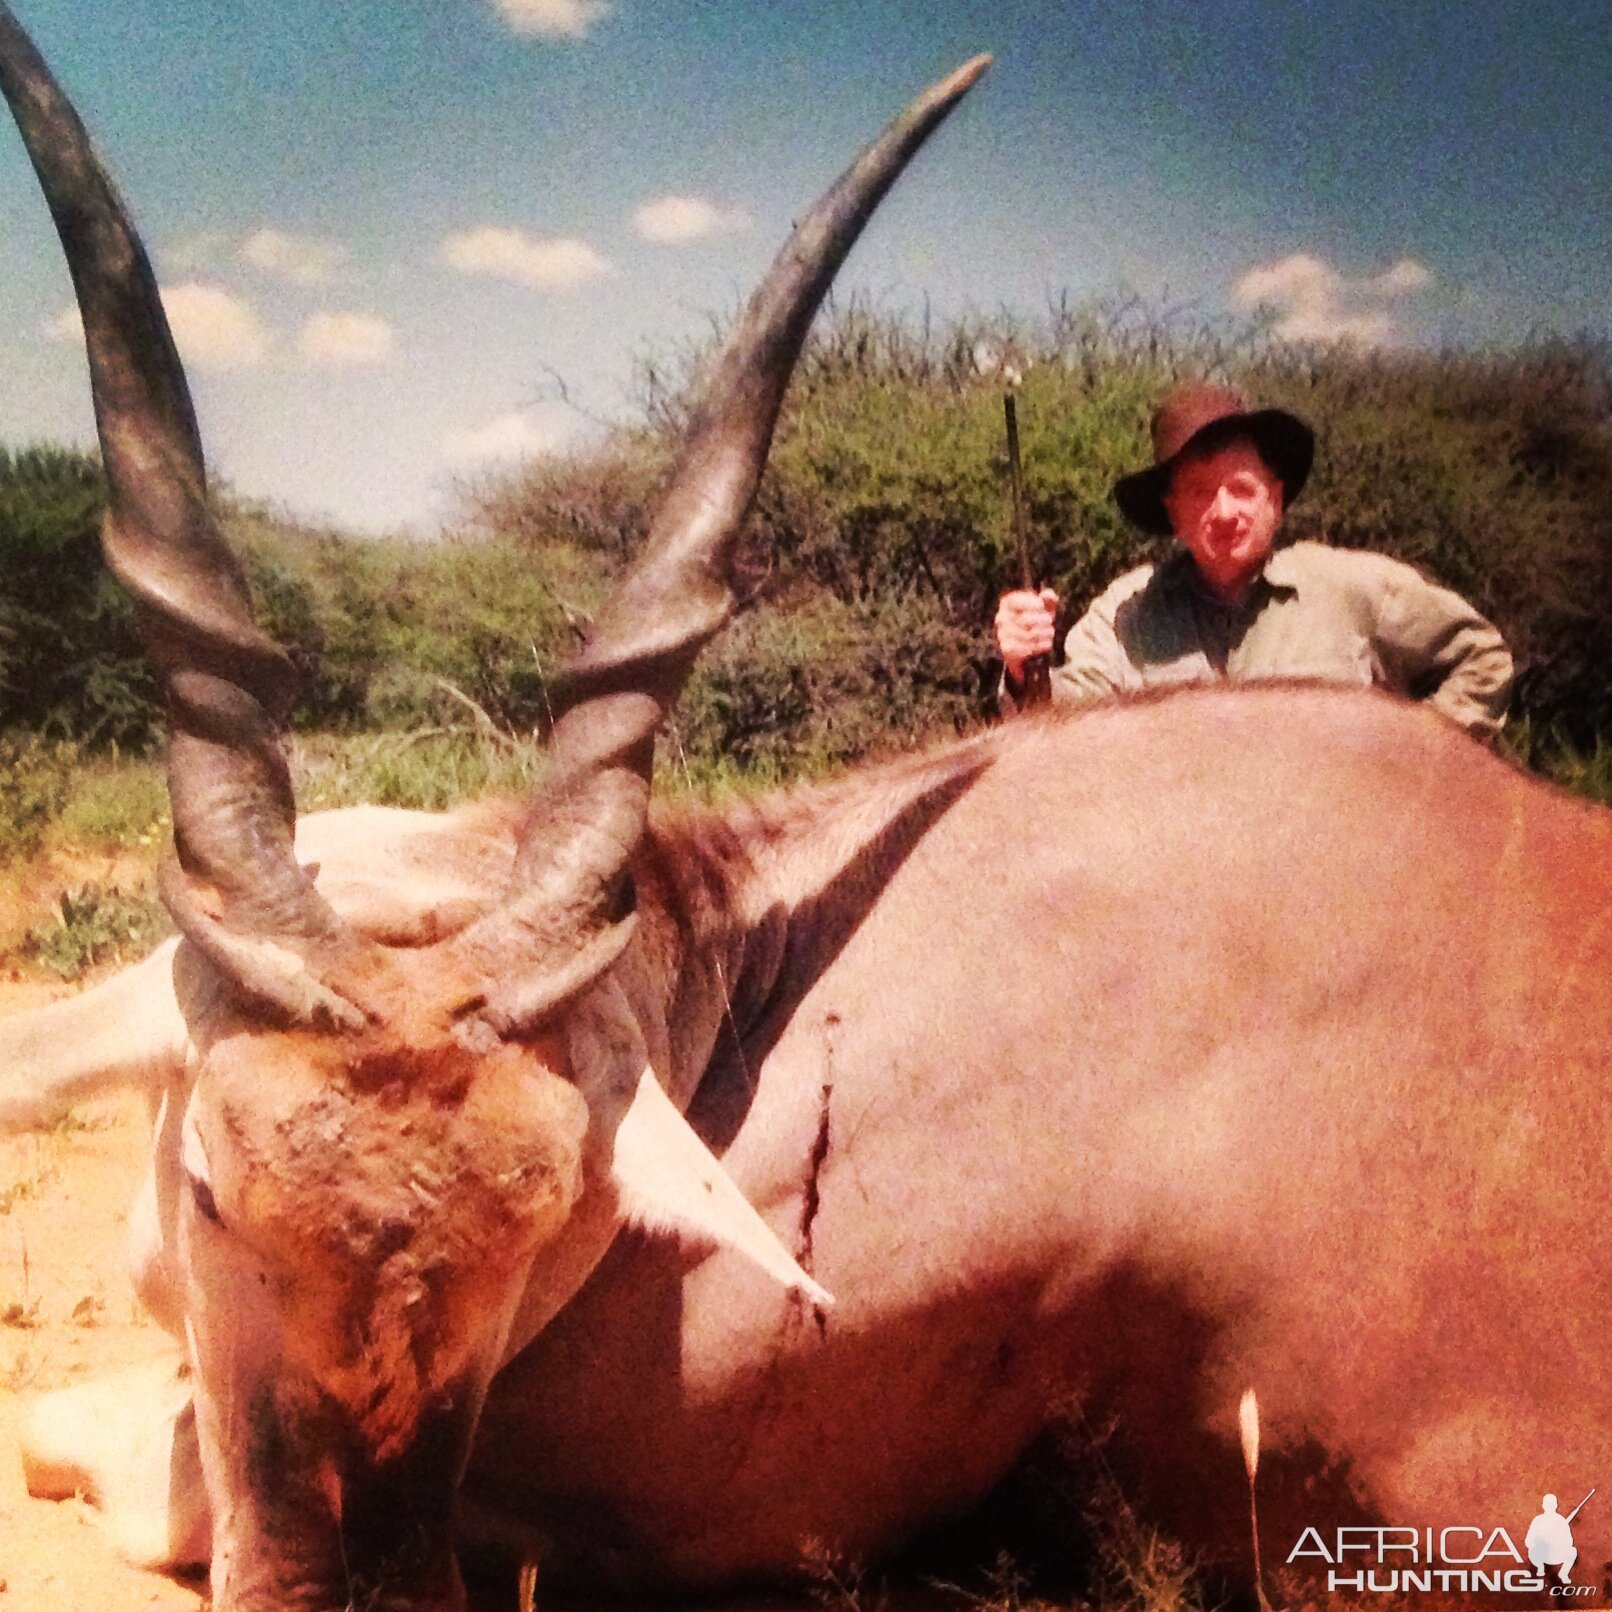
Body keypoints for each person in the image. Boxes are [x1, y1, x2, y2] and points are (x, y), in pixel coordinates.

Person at [994, 383, 1514, 738]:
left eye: (1242, 489)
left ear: (1276, 499)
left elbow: (1482, 660)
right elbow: (1061, 731)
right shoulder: (1125, 613)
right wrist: (1022, 670)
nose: (1223, 512)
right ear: (1171, 513)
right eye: (1198, 492)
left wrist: (1410, 761)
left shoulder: (1351, 588)